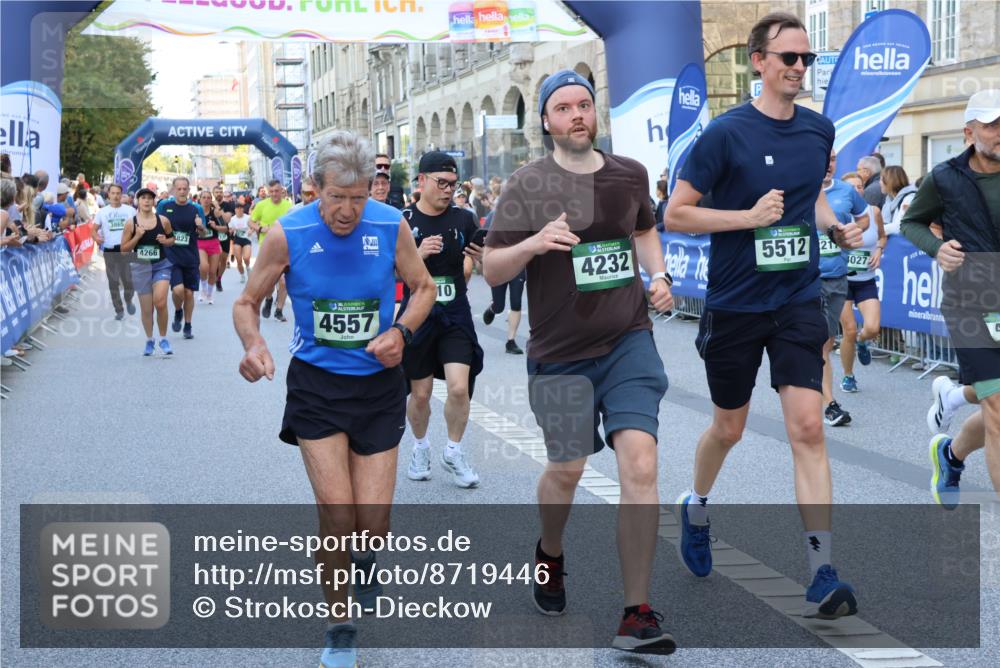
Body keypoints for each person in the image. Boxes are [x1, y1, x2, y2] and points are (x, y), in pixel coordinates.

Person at [665, 12, 863, 619]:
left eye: (807, 58)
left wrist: (836, 227)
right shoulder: (726, 134)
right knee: (729, 428)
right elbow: (676, 213)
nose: (800, 68)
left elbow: (812, 197)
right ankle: (696, 505)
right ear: (758, 61)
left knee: (808, 428)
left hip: (797, 299)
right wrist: (747, 219)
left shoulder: (818, 130)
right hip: (735, 304)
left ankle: (822, 571)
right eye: (788, 58)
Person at [484, 68, 677, 653]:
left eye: (584, 105)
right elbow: (491, 268)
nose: (576, 115)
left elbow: (644, 230)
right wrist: (533, 242)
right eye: (563, 107)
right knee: (566, 470)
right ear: (546, 121)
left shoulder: (629, 174)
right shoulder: (527, 183)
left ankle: (636, 613)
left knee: (640, 464)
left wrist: (659, 275)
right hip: (561, 353)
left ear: (596, 113)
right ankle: (550, 551)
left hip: (627, 341)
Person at [233, 131, 436, 668]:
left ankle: (364, 555)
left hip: (378, 387)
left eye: (358, 197)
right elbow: (247, 301)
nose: (347, 210)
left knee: (373, 523)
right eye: (336, 197)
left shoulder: (390, 225)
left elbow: (424, 288)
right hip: (316, 388)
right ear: (314, 188)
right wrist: (253, 344)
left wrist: (402, 333)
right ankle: (339, 624)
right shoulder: (288, 233)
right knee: (337, 514)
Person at [901, 89, 1000, 507]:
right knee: (998, 408)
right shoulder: (944, 177)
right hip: (969, 303)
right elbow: (911, 223)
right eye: (992, 125)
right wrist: (937, 248)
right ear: (969, 132)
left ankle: (951, 454)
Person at [399, 151, 485, 489]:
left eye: (454, 184)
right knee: (420, 394)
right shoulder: (402, 220)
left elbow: (480, 264)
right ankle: (421, 448)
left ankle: (453, 450)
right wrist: (417, 255)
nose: (448, 190)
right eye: (442, 183)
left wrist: (482, 258)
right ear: (421, 181)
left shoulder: (464, 219)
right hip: (417, 314)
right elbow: (388, 271)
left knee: (459, 387)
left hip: (454, 312)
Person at [816, 149, 870, 425]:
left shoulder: (847, 191)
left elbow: (865, 217)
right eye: (824, 157)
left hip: (837, 275)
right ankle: (829, 404)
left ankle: (810, 392)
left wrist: (851, 231)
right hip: (806, 278)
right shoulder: (799, 188)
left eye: (833, 159)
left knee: (825, 342)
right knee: (819, 344)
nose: (829, 164)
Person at [839, 175, 887, 394]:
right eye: (852, 187)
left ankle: (862, 341)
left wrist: (879, 249)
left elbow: (882, 237)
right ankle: (848, 375)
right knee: (849, 330)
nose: (857, 190)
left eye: (860, 186)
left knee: (873, 328)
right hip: (842, 280)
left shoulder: (873, 211)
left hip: (866, 279)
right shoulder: (835, 214)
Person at [121, 188, 175, 356]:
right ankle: (149, 340)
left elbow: (172, 239)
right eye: (143, 198)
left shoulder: (163, 220)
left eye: (149, 198)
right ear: (138, 201)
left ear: (153, 202)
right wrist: (137, 237)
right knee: (146, 309)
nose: (146, 201)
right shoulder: (131, 223)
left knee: (160, 302)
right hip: (140, 268)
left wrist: (165, 241)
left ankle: (163, 338)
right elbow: (123, 250)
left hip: (161, 265)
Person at [158, 176, 205, 340]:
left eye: (185, 188)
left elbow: (203, 233)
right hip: (171, 256)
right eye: (179, 189)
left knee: (189, 293)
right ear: (173, 190)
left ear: (189, 190)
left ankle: (188, 324)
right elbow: (157, 226)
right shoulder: (164, 206)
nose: (182, 191)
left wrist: (200, 226)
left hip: (190, 256)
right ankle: (178, 310)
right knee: (178, 290)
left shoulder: (196, 208)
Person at [480, 188, 525, 354]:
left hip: (518, 265)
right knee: (500, 306)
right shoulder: (494, 215)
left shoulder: (526, 217)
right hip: (498, 264)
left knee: (516, 302)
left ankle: (510, 341)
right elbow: (483, 238)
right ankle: (493, 308)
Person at [250, 179, 292, 321]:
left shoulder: (289, 206)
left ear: (281, 191)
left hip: (284, 248)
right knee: (269, 282)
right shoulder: (261, 205)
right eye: (271, 191)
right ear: (268, 192)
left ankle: (279, 310)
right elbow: (250, 221)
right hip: (267, 248)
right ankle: (268, 299)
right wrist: (260, 228)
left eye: (277, 191)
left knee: (284, 282)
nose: (274, 194)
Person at [93, 184, 137, 320]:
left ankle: (128, 300)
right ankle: (119, 310)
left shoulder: (130, 211)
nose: (116, 196)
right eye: (113, 193)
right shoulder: (102, 212)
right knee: (113, 281)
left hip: (125, 249)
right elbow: (93, 230)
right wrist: (96, 238)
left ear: (121, 194)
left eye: (118, 193)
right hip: (110, 250)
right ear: (108, 195)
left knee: (128, 281)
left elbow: (138, 227)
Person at [196, 190, 227, 304]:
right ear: (200, 199)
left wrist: (215, 227)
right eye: (204, 197)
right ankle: (203, 290)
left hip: (213, 243)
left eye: (209, 197)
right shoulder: (195, 212)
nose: (206, 200)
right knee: (203, 267)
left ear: (211, 200)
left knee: (213, 271)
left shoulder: (215, 213)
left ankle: (209, 294)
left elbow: (225, 228)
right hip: (200, 243)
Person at [879, 165, 917, 236]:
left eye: (881, 179)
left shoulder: (909, 199)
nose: (879, 182)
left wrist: (875, 231)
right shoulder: (889, 200)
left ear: (890, 181)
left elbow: (897, 227)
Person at [212, 184, 235, 291]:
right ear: (213, 193)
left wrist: (218, 207)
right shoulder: (209, 203)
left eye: (220, 192)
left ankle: (219, 279)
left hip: (225, 234)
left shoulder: (228, 205)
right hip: (213, 235)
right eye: (216, 192)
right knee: (216, 257)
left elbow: (226, 220)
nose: (219, 194)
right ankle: (214, 274)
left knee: (223, 260)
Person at [229, 201, 253, 283]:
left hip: (247, 239)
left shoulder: (248, 217)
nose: (239, 210)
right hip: (237, 239)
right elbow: (230, 229)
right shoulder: (232, 219)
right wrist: (231, 230)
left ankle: (248, 267)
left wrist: (251, 230)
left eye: (241, 208)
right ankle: (242, 275)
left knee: (246, 257)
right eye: (237, 208)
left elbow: (253, 226)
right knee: (239, 260)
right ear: (235, 210)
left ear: (243, 209)